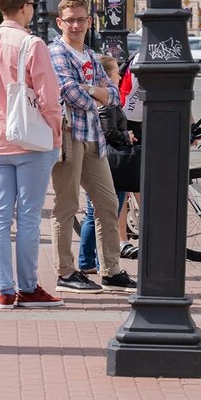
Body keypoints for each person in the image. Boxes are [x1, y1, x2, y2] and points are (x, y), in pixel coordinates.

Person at [0, 0, 64, 309]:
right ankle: (28, 285)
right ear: (25, 7)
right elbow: (49, 97)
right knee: (27, 216)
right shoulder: (32, 44)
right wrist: (55, 133)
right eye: (33, 4)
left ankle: (4, 288)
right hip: (30, 141)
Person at [48, 0, 136, 294]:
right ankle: (65, 271)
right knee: (66, 205)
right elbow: (70, 93)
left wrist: (92, 90)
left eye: (81, 19)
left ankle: (111, 270)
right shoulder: (56, 53)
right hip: (68, 135)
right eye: (70, 19)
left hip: (94, 138)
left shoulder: (89, 53)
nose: (75, 24)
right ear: (60, 22)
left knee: (108, 203)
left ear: (89, 21)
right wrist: (94, 93)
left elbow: (114, 95)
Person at [77, 55, 137, 272]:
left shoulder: (106, 99)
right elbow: (109, 131)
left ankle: (89, 262)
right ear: (105, 75)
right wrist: (126, 136)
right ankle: (92, 262)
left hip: (107, 161)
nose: (120, 76)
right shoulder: (107, 102)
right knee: (102, 214)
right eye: (115, 72)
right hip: (111, 164)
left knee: (100, 214)